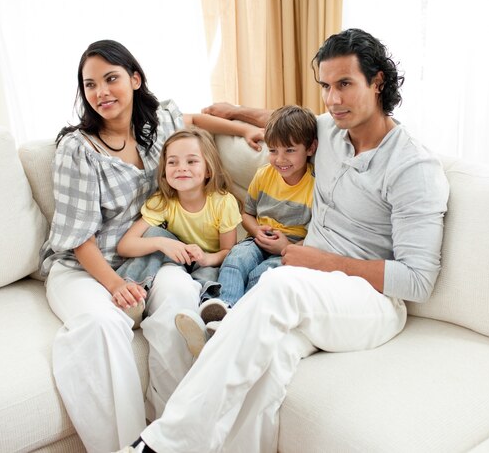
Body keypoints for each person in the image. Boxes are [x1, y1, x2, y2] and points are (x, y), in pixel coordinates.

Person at [120, 28, 450, 453]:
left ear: (378, 82)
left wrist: (318, 261)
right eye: (326, 86)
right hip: (312, 286)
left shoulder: (412, 168)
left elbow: (419, 281)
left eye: (345, 84)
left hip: (372, 301)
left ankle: (159, 445)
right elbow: (283, 118)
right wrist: (236, 112)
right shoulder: (329, 133)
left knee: (278, 285)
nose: (332, 100)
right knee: (265, 365)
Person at [39, 39, 264, 453]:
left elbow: (194, 120)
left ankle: (176, 437)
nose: (101, 92)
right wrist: (112, 286)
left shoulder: (156, 124)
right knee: (104, 326)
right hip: (84, 266)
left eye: (111, 79)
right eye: (90, 85)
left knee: (182, 300)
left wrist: (244, 127)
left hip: (152, 254)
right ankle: (124, 446)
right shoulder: (78, 148)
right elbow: (79, 238)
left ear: (135, 79)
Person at [191, 105, 317, 339]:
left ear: (310, 148)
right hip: (257, 240)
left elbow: (317, 238)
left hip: (292, 249)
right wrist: (256, 230)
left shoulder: (315, 186)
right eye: (273, 150)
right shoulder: (263, 174)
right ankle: (222, 309)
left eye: (289, 150)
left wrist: (286, 247)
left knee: (265, 273)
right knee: (236, 259)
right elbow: (246, 214)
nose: (280, 159)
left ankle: (243, 321)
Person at [116, 127, 242, 357]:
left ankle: (206, 323)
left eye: (191, 161)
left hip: (207, 265)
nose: (181, 168)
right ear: (164, 172)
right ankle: (135, 294)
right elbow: (125, 246)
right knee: (155, 235)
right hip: (175, 262)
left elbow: (229, 252)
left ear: (208, 170)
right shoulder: (163, 202)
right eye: (172, 162)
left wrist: (206, 258)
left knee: (213, 282)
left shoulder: (223, 203)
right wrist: (162, 244)